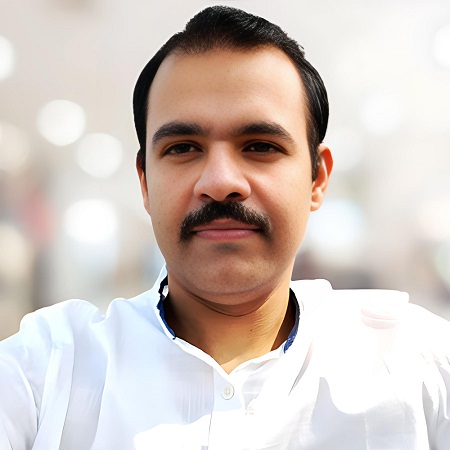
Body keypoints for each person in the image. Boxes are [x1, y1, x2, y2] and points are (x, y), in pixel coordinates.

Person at [1, 5, 449, 450]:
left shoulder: (419, 369)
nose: (219, 182)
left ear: (317, 179)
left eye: (260, 146)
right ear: (145, 183)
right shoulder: (47, 373)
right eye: (183, 148)